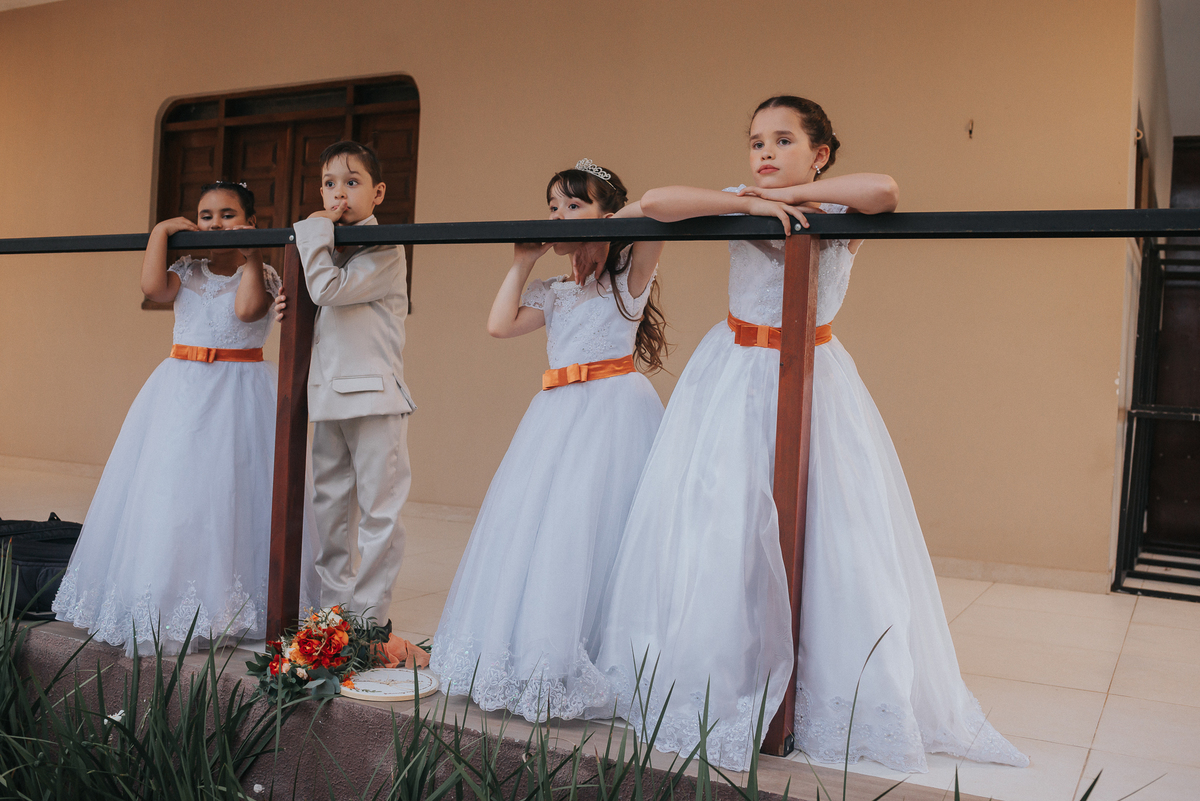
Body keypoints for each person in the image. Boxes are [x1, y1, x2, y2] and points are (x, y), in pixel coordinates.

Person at [592, 96, 1028, 773]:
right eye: (757, 141)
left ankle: (822, 688)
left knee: (830, 526)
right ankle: (721, 673)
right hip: (733, 375)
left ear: (818, 151)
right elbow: (656, 199)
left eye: (783, 140)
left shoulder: (836, 212)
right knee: (723, 523)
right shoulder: (738, 200)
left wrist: (794, 194)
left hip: (816, 374)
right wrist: (754, 203)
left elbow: (884, 189)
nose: (764, 153)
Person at [429, 161, 666, 721]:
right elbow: (499, 325)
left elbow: (653, 208)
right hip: (558, 413)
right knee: (547, 528)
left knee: (597, 524)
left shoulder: (627, 280)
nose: (558, 215)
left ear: (607, 214)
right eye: (553, 206)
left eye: (574, 205)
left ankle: (594, 654)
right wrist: (522, 259)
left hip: (612, 410)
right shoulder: (555, 290)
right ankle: (539, 650)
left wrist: (603, 226)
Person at [53, 182, 318, 656]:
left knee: (228, 494)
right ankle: (163, 598)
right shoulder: (186, 270)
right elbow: (152, 287)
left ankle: (227, 604)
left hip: (239, 389)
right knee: (174, 489)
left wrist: (253, 255)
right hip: (181, 387)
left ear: (251, 223)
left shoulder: (264, 274)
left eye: (229, 215)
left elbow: (247, 309)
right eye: (207, 215)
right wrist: (161, 231)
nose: (217, 224)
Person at [289, 141, 414, 625]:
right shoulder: (325, 245)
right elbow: (314, 302)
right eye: (328, 183)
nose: (338, 193)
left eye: (352, 182)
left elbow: (327, 289)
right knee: (331, 514)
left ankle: (369, 622)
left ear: (378, 192)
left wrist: (315, 226)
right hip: (326, 396)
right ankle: (332, 619)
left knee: (380, 514)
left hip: (374, 398)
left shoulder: (386, 246)